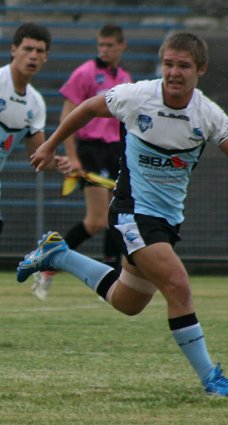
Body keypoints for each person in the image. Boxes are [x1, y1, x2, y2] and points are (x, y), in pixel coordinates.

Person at [17, 32, 228, 397]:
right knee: (178, 285)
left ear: (201, 69)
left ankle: (60, 254)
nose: (174, 73)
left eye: (183, 66)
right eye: (169, 64)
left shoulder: (206, 114)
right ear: (161, 64)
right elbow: (85, 108)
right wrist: (51, 145)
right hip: (132, 213)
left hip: (166, 222)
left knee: (127, 301)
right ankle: (211, 378)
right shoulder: (137, 96)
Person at [32, 24, 132, 301]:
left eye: (110, 45)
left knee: (115, 218)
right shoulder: (86, 72)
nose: (104, 50)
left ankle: (112, 280)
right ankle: (50, 261)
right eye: (101, 44)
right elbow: (68, 114)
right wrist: (73, 156)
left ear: (122, 46)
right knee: (97, 220)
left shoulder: (124, 77)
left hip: (114, 152)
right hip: (90, 151)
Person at [0, 22, 70, 235]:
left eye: (39, 51)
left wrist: (58, 163)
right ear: (14, 50)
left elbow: (38, 156)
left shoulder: (36, 103)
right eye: (27, 49)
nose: (33, 56)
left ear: (46, 57)